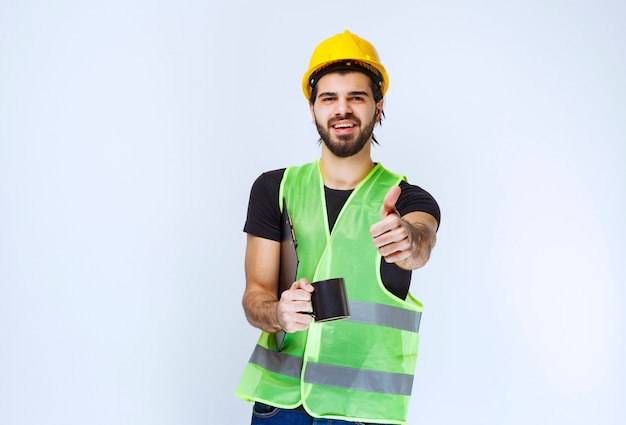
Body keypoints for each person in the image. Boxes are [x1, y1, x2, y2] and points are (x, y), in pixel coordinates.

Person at [235, 30, 440, 425]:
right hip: (280, 405)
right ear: (312, 109)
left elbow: (422, 240)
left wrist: (408, 238)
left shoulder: (406, 198)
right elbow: (254, 296)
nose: (342, 109)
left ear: (378, 107)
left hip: (362, 412)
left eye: (356, 97)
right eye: (329, 98)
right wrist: (277, 312)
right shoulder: (274, 189)